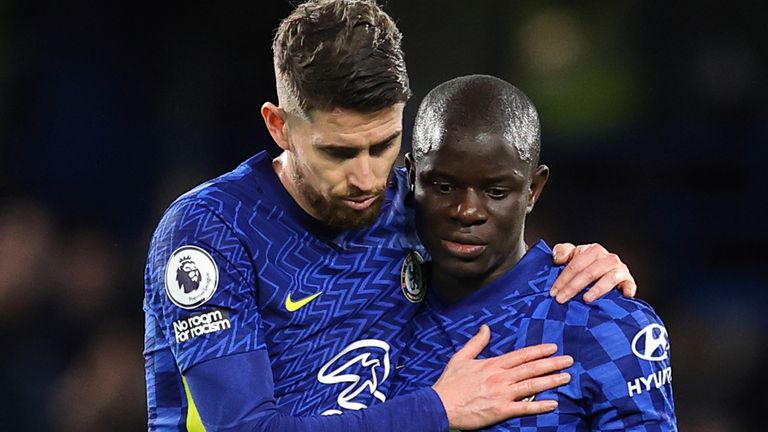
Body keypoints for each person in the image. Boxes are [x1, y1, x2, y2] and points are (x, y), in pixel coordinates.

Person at [143, 1, 638, 431]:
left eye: (383, 145)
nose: (365, 178)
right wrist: (438, 409)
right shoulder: (212, 231)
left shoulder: (410, 205)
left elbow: (507, 263)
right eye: (337, 152)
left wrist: (581, 265)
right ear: (279, 126)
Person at [391, 74, 676, 430]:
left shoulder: (605, 322)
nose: (466, 211)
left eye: (495, 191)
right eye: (444, 186)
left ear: (532, 190)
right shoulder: (372, 310)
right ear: (412, 176)